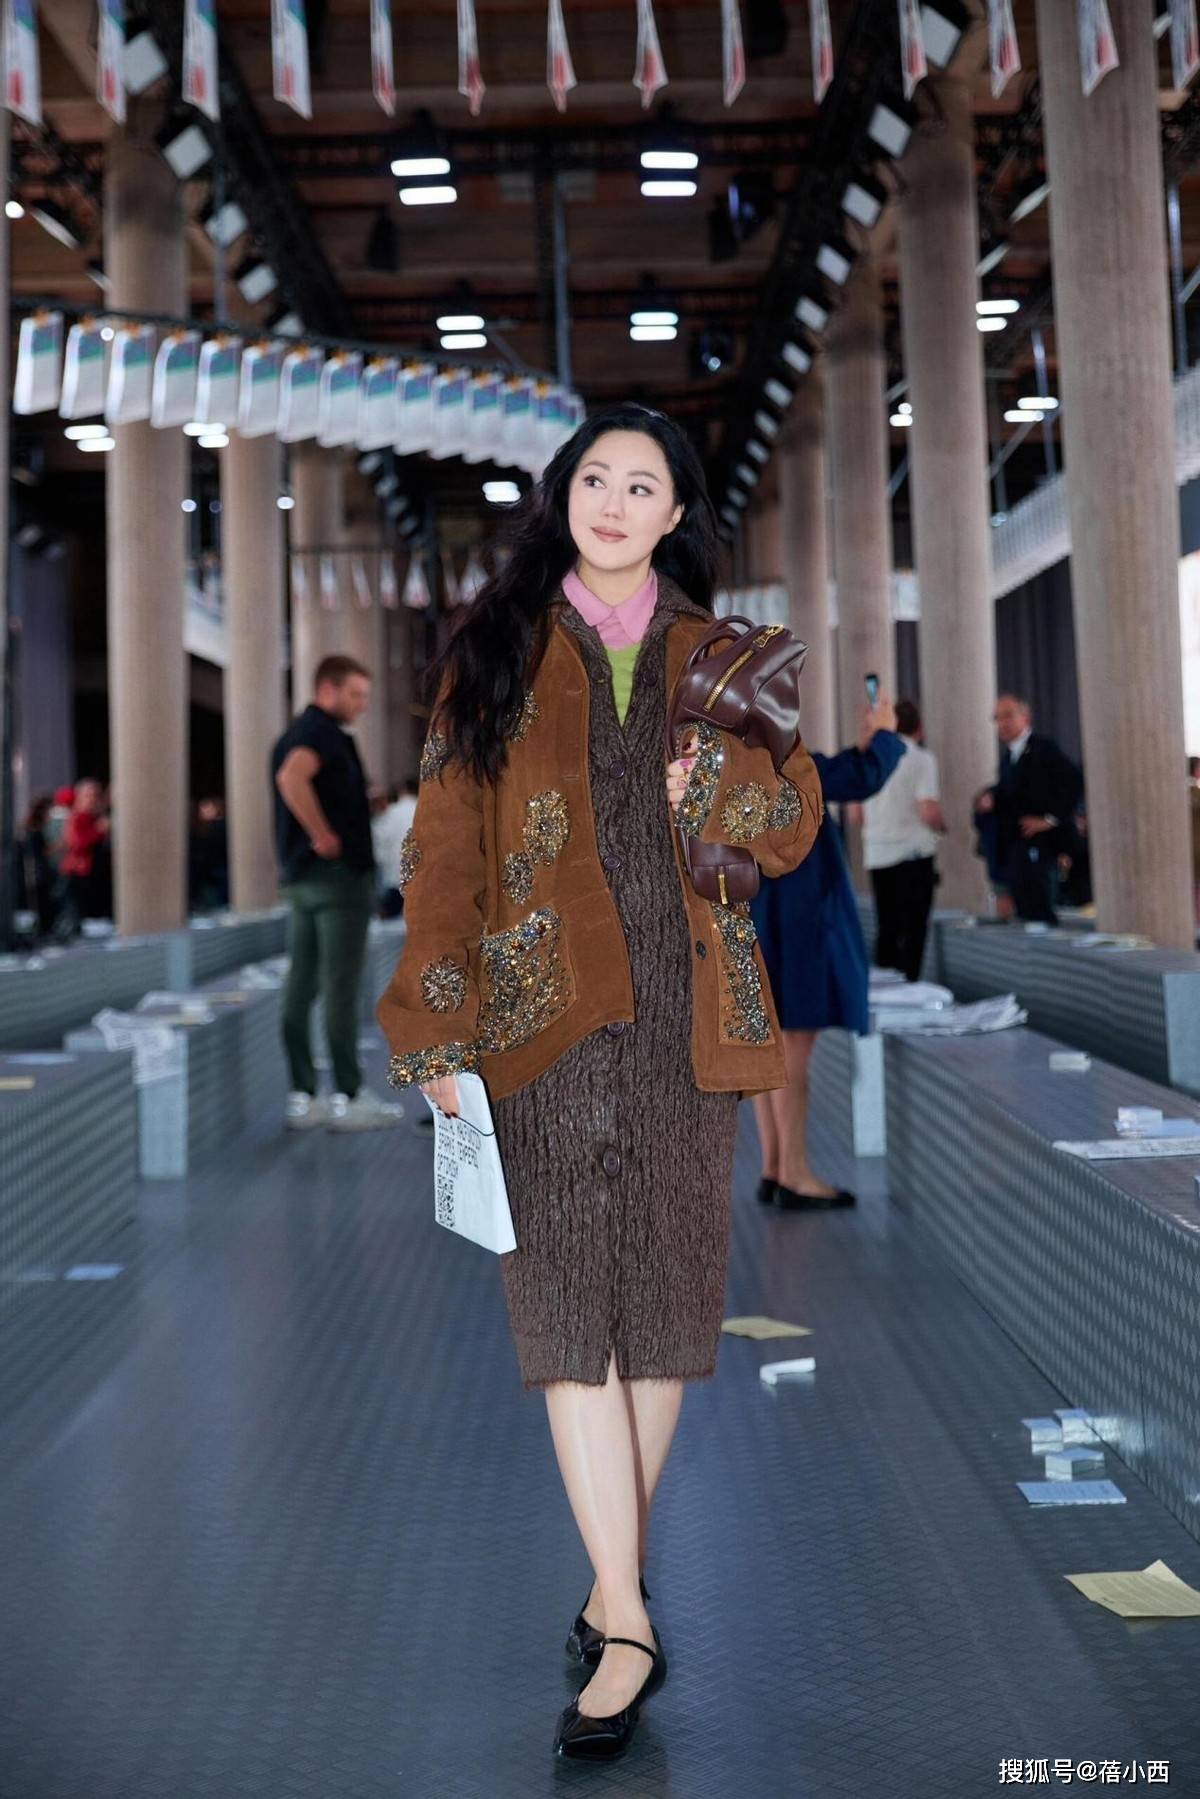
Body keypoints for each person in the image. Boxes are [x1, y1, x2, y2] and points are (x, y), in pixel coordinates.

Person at [376, 403, 823, 1762]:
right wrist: (435, 1029)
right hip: (540, 1022)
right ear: (562, 496)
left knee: (667, 1314)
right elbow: (444, 850)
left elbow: (793, 820)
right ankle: (628, 1618)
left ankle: (606, 1581)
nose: (614, 502)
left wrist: (715, 799)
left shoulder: (724, 656)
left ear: (678, 512)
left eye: (642, 485)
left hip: (691, 1019)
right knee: (570, 1318)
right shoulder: (496, 650)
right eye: (594, 479)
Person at [751, 698, 905, 1211]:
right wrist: (884, 734)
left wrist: (864, 744)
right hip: (800, 922)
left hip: (762, 918)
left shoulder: (736, 761)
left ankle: (774, 1166)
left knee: (771, 1048)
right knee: (793, 1048)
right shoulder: (786, 764)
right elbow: (859, 777)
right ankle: (795, 1174)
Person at [272, 655, 404, 1132]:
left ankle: (304, 1094)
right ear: (327, 689)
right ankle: (348, 1094)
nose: (362, 704)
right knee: (340, 988)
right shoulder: (322, 733)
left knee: (302, 983)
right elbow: (291, 778)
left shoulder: (295, 733)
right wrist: (324, 834)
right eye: (355, 694)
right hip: (336, 880)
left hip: (304, 881)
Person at [974, 693, 1082, 925]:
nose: (1002, 723)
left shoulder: (1043, 749)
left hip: (1042, 848)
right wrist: (990, 798)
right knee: (1024, 912)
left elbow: (1073, 781)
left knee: (1040, 911)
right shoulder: (1008, 758)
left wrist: (1050, 820)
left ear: (1025, 718)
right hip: (1017, 850)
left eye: (1008, 716)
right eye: (997, 718)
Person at [858, 697, 944, 982]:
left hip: (877, 852)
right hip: (912, 853)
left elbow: (856, 814)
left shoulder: (872, 757)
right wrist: (942, 825)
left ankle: (886, 989)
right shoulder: (921, 759)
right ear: (919, 727)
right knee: (914, 929)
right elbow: (928, 810)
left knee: (887, 927)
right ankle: (910, 987)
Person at [57, 778, 110, 930]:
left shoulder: (95, 816)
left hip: (94, 872)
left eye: (96, 795)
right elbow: (77, 843)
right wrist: (98, 831)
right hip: (80, 872)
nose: (93, 799)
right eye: (89, 795)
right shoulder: (77, 817)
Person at [371, 779, 419, 918]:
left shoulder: (391, 813)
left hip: (394, 877)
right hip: (421, 874)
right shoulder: (425, 811)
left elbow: (378, 844)